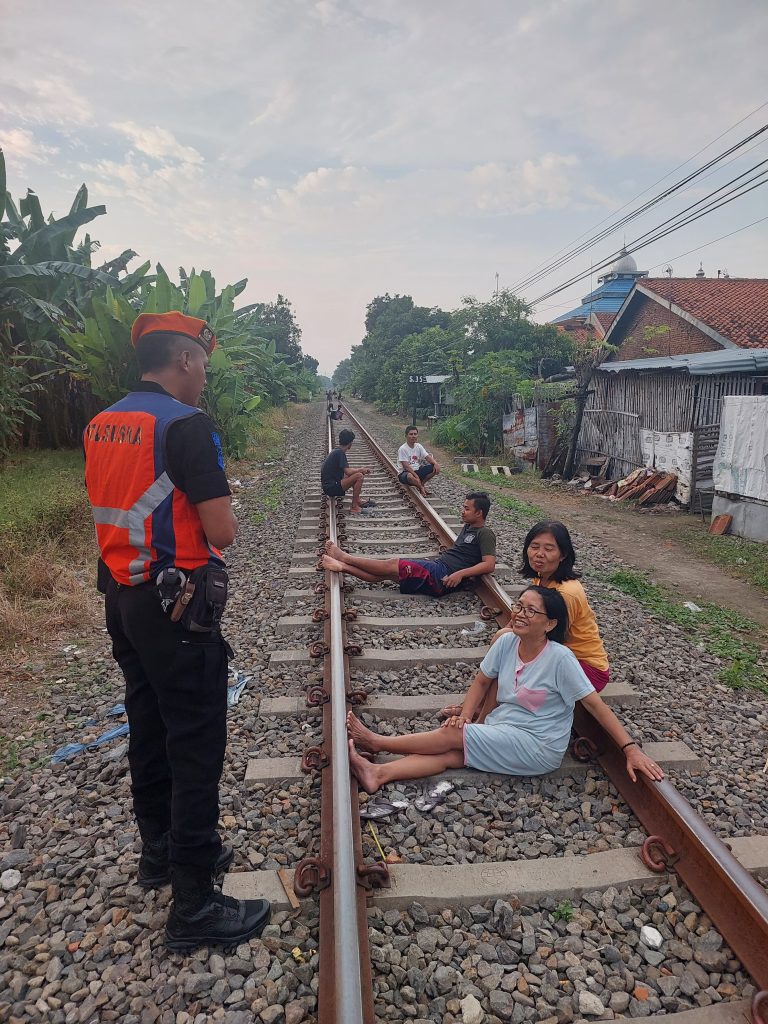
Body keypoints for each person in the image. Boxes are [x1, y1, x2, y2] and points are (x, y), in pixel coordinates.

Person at [83, 311, 271, 952]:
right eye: (204, 367)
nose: (205, 379)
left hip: (124, 600)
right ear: (186, 360)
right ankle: (194, 906)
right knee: (196, 745)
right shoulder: (186, 426)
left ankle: (158, 853)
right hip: (177, 608)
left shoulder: (102, 422)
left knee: (149, 724)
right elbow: (221, 532)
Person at [346, 585, 664, 792]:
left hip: (538, 745)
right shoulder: (508, 641)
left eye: (530, 611)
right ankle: (379, 775)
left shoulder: (561, 659)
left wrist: (630, 748)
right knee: (452, 754)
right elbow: (483, 680)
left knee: (453, 737)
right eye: (519, 606)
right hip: (505, 728)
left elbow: (595, 705)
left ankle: (377, 742)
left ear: (550, 624)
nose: (520, 614)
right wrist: (467, 715)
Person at [497, 520, 609, 691]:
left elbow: (551, 640)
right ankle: (483, 702)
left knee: (507, 649)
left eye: (549, 549)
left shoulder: (567, 593)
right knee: (503, 641)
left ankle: (484, 705)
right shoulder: (542, 577)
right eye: (534, 547)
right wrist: (504, 634)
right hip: (562, 656)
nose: (539, 554)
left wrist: (505, 638)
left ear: (563, 554)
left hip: (586, 669)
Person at [322, 491, 496, 596]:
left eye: (467, 508)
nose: (462, 511)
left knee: (391, 565)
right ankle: (342, 567)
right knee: (387, 574)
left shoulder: (485, 533)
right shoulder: (469, 527)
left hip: (441, 575)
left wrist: (460, 574)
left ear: (479, 513)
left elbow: (489, 565)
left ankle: (345, 558)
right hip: (438, 568)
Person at [320, 428, 372, 513]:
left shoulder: (337, 451)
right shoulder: (340, 453)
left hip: (329, 486)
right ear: (350, 443)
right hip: (331, 487)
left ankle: (357, 500)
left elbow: (347, 472)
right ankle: (354, 507)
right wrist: (361, 470)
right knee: (359, 476)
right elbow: (348, 472)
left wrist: (359, 470)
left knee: (356, 474)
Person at [397, 425, 440, 496]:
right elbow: (406, 467)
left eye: (415, 434)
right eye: (411, 434)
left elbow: (427, 457)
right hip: (405, 473)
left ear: (417, 435)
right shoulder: (403, 449)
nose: (413, 436)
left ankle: (421, 484)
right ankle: (421, 487)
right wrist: (416, 476)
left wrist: (435, 463)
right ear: (406, 436)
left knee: (434, 468)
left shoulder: (418, 446)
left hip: (417, 470)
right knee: (410, 476)